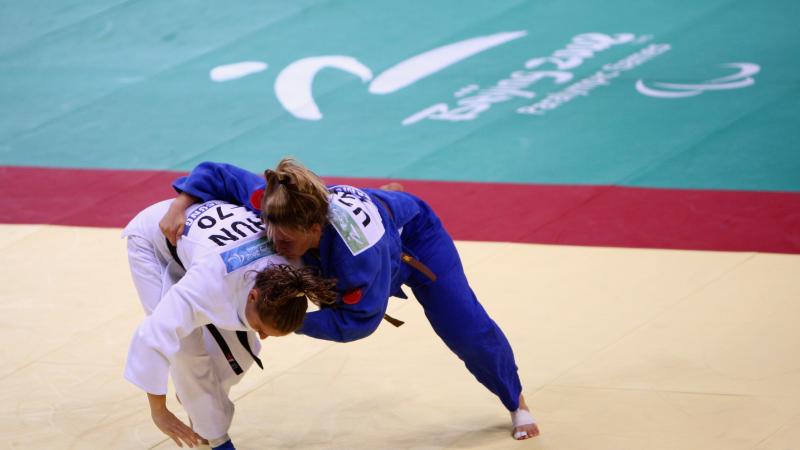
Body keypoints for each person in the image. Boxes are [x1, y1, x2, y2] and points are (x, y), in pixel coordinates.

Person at [159, 159, 540, 440]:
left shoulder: (357, 260)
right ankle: (386, 200)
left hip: (413, 242)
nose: (275, 242)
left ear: (315, 227)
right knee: (254, 300)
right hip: (358, 229)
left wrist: (286, 321)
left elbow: (359, 323)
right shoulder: (275, 201)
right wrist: (180, 205)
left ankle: (515, 402)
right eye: (271, 230)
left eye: (287, 240)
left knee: (464, 328)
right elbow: (215, 172)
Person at [123, 199, 336, 449]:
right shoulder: (208, 285)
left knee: (243, 354)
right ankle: (216, 440)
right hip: (156, 240)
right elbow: (154, 335)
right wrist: (159, 411)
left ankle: (196, 398)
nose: (263, 337)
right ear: (253, 295)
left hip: (208, 247)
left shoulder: (296, 266)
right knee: (187, 350)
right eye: (261, 328)